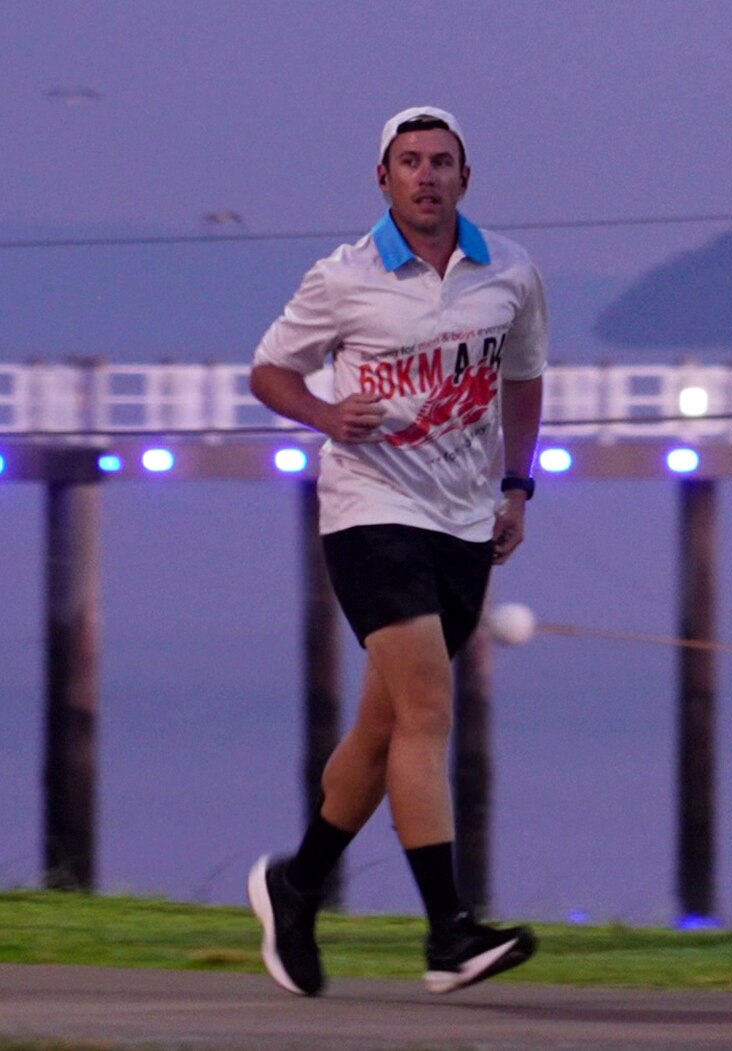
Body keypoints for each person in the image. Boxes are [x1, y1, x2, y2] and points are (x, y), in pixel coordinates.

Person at [246, 106, 547, 997]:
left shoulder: (511, 273)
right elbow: (269, 371)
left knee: (384, 730)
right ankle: (448, 934)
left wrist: (517, 486)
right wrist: (325, 413)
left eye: (441, 162)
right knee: (427, 710)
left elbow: (524, 377)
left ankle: (297, 885)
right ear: (384, 178)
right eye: (409, 162)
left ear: (465, 177)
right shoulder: (343, 277)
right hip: (370, 512)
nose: (426, 176)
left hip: (463, 521)